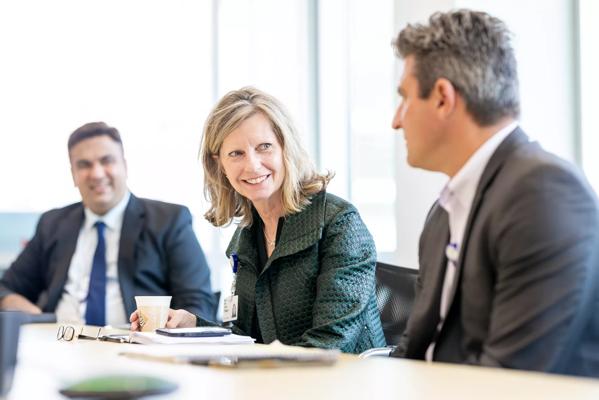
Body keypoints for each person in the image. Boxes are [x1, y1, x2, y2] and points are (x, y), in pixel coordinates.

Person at [389, 9, 599, 377]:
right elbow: (413, 351)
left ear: (442, 98)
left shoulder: (544, 192)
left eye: (405, 98)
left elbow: (511, 378)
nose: (396, 119)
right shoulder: (444, 213)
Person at [131, 87, 385, 353]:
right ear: (220, 165)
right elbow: (246, 336)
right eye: (236, 153)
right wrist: (192, 325)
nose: (252, 165)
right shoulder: (247, 235)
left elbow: (332, 341)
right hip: (277, 381)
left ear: (286, 148)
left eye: (264, 147)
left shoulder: (338, 222)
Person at [0, 122, 216, 326]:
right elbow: (6, 288)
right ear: (73, 175)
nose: (96, 173)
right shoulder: (52, 224)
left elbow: (199, 304)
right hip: (59, 345)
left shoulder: (169, 220)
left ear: (125, 166)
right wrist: (36, 319)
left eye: (107, 161)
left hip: (136, 352)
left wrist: (176, 323)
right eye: (84, 165)